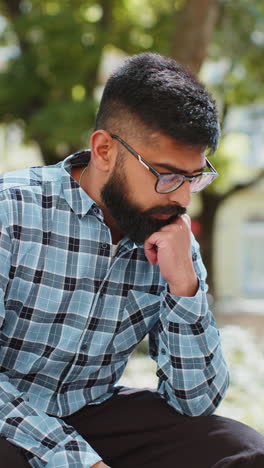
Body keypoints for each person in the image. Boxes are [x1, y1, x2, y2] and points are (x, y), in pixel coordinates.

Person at [0, 52, 263, 468]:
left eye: (193, 178)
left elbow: (195, 403)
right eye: (167, 175)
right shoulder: (9, 210)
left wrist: (184, 288)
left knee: (244, 450)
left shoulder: (171, 240)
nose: (181, 198)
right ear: (104, 150)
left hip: (95, 414)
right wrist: (77, 460)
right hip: (8, 420)